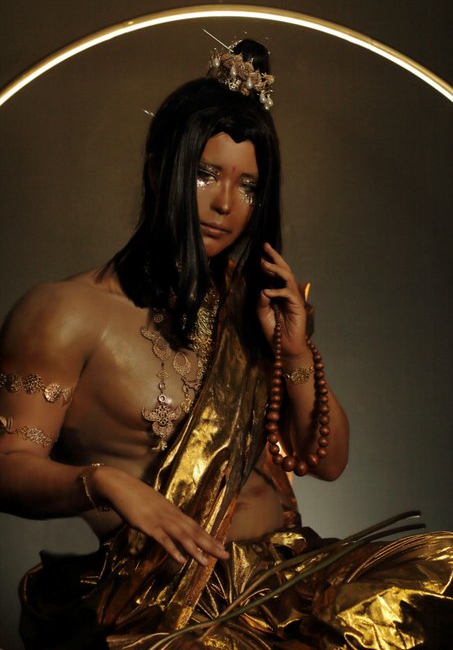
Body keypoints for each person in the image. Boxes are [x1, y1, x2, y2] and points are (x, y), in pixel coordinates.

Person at [0, 40, 452, 650]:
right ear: (159, 169)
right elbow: (8, 466)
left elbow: (326, 461)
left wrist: (294, 352)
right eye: (205, 174)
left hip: (289, 578)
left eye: (250, 187)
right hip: (169, 598)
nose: (225, 204)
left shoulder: (248, 303)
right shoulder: (63, 314)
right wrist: (105, 483)